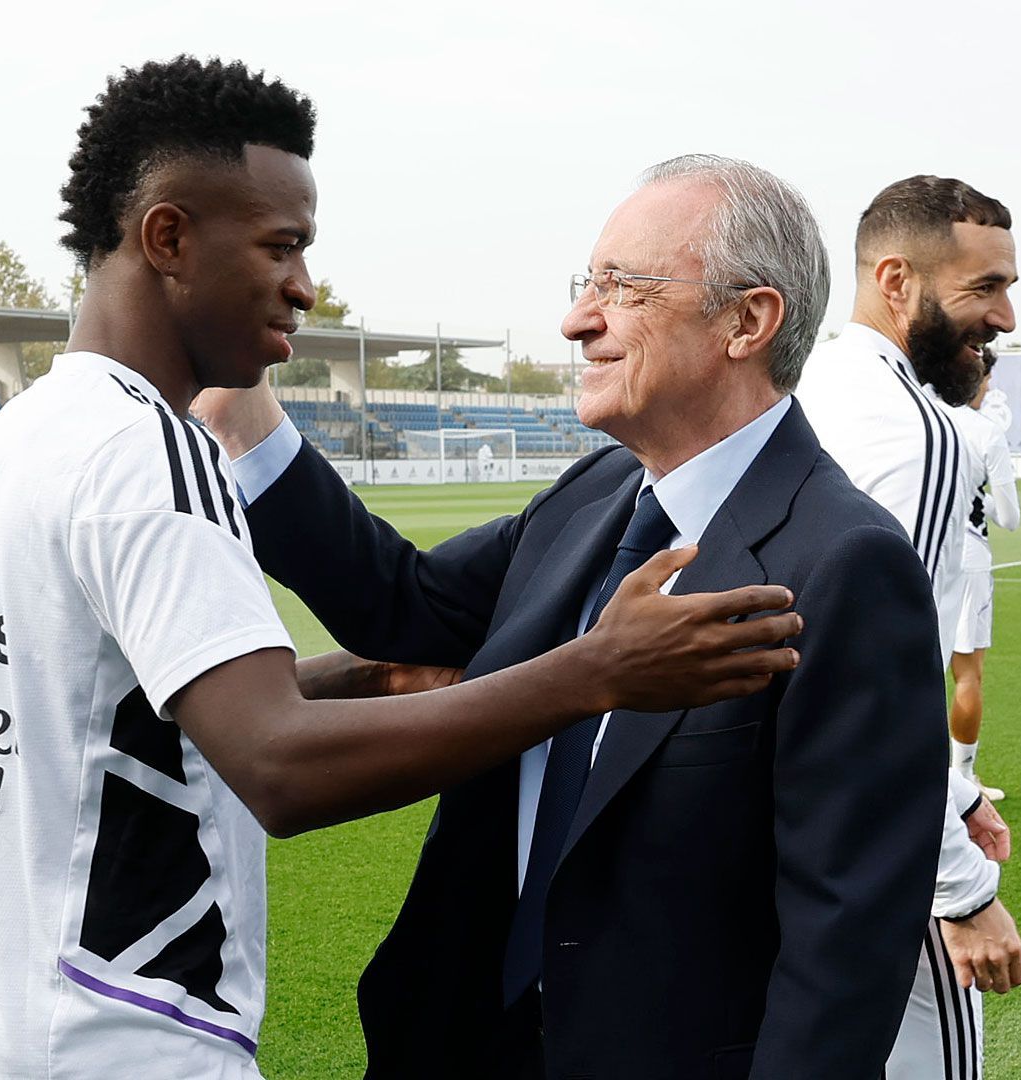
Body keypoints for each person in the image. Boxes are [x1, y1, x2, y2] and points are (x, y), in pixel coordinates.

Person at [0, 61, 800, 1080]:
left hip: (8, 1025)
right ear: (168, 239)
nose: (303, 285)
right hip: (129, 1036)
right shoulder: (150, 450)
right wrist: (597, 673)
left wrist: (357, 678)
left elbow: (103, 713)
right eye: (281, 246)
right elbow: (279, 765)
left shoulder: (30, 428)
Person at [201, 154, 957, 1077]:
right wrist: (242, 413)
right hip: (465, 1041)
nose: (576, 319)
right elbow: (405, 606)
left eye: (623, 287)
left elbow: (845, 945)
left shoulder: (844, 563)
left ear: (749, 321)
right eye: (586, 283)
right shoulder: (599, 490)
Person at [797, 175, 1021, 1077]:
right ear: (896, 282)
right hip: (866, 854)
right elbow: (881, 692)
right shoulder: (918, 433)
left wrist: (961, 793)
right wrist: (960, 890)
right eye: (985, 288)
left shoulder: (814, 385)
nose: (1005, 317)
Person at [942, 347, 1020, 801]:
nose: (988, 388)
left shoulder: (924, 416)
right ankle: (962, 778)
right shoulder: (985, 431)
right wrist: (981, 502)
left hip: (920, 553)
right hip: (969, 559)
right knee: (968, 675)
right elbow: (1009, 517)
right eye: (986, 380)